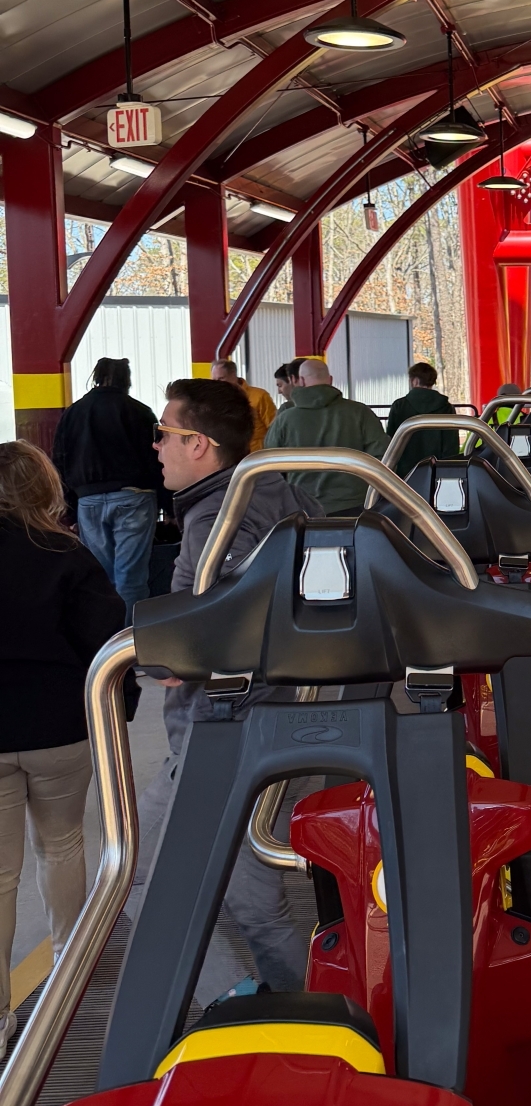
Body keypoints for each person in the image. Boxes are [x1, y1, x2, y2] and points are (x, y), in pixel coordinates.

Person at [151, 379, 321, 991]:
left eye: (164, 434)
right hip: (275, 719)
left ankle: (246, 1000)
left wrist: (175, 654)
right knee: (247, 898)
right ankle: (287, 1003)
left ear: (198, 444)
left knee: (141, 878)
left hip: (225, 731)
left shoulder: (217, 518)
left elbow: (220, 624)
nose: (156, 448)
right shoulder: (278, 489)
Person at [0, 443, 131, 1057]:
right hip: (60, 727)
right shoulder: (67, 555)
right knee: (63, 847)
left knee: (0, 876)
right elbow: (108, 641)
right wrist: (120, 710)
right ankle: (66, 981)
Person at [51, 356, 163, 621]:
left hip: (88, 502)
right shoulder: (139, 411)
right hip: (134, 498)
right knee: (131, 578)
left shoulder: (74, 413)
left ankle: (106, 639)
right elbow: (157, 458)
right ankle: (130, 640)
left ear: (96, 376)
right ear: (127, 380)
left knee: (100, 577)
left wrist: (70, 510)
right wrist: (168, 504)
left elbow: (61, 461)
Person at [263, 357, 386, 513]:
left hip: (303, 506)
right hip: (354, 504)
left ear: (301, 380)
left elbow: (270, 462)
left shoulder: (284, 419)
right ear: (330, 380)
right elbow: (382, 456)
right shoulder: (361, 412)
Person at [384, 360, 459, 468]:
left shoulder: (399, 406)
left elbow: (390, 441)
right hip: (436, 469)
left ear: (414, 381)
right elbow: (451, 445)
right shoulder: (446, 407)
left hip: (403, 471)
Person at [211, 357, 275, 450]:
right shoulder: (214, 401)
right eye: (214, 380)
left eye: (221, 379)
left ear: (233, 375)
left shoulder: (260, 396)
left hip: (256, 454)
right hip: (229, 455)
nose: (217, 384)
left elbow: (273, 429)